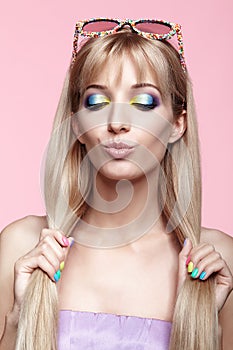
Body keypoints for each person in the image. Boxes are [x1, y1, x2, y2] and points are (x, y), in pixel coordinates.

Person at [0, 18, 233, 350]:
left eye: (144, 102)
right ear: (77, 123)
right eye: (96, 102)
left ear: (177, 124)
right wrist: (17, 318)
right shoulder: (21, 247)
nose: (118, 123)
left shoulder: (216, 261)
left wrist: (205, 329)